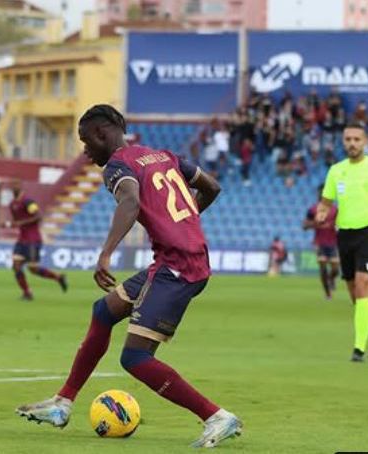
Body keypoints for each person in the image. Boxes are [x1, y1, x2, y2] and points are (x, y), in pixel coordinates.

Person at [15, 105, 240, 448]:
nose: (85, 150)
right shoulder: (163, 156)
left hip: (177, 268)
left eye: (86, 141)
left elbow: (131, 201)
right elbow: (212, 187)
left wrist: (106, 253)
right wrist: (184, 223)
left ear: (102, 134)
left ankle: (216, 416)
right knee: (103, 311)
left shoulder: (119, 166)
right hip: (178, 259)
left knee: (135, 358)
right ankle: (62, 404)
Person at [316, 123, 368, 362]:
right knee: (356, 295)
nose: (352, 143)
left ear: (365, 142)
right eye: (348, 139)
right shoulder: (336, 171)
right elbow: (326, 202)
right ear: (343, 142)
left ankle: (358, 349)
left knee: (364, 286)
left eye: (356, 139)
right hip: (345, 235)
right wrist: (322, 213)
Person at [1, 180, 67, 301]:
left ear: (20, 187)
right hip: (22, 239)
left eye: (16, 185)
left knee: (33, 269)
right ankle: (27, 293)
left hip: (33, 240)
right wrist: (8, 224)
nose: (14, 187)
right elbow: (17, 222)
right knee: (16, 266)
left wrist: (20, 223)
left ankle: (58, 277)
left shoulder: (28, 202)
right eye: (12, 186)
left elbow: (38, 217)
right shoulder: (12, 205)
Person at [303, 186, 339, 300]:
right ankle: (328, 293)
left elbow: (341, 224)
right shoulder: (313, 209)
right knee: (323, 266)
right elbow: (304, 226)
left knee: (335, 269)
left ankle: (331, 278)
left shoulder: (335, 210)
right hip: (319, 242)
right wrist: (316, 223)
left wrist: (335, 225)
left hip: (333, 242)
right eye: (321, 193)